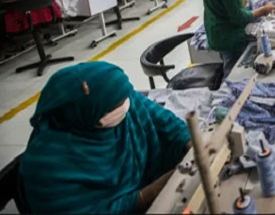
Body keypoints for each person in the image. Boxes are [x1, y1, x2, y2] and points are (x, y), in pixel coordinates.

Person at [19, 61, 192, 214]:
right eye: (118, 105)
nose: (127, 105)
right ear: (88, 115)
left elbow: (165, 122)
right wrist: (149, 193)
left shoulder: (119, 98)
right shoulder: (47, 168)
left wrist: (189, 142)